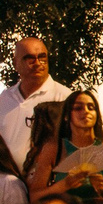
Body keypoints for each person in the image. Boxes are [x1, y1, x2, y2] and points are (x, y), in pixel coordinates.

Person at [34, 88, 103, 202]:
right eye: (78, 108)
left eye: (91, 108)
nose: (86, 111)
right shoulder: (54, 149)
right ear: (66, 115)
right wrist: (64, 185)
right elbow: (35, 196)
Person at [0, 35, 69, 166]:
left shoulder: (64, 98)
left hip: (46, 177)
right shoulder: (5, 99)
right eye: (30, 58)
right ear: (15, 64)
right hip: (7, 177)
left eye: (42, 58)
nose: (37, 63)